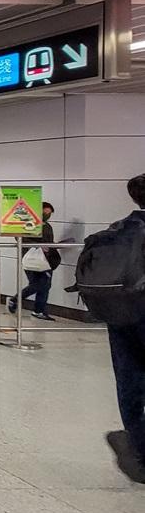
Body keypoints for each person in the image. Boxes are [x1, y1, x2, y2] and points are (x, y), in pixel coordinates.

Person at [104, 175, 145, 484]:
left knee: (129, 379)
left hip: (120, 315)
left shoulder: (118, 229)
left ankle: (135, 437)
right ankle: (137, 443)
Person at [13, 201, 61, 320]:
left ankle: (39, 311)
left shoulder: (48, 226)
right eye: (45, 212)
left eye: (49, 213)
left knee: (45, 285)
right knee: (38, 284)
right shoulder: (31, 223)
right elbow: (20, 238)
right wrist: (39, 245)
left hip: (47, 260)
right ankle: (15, 299)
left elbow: (48, 242)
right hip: (32, 259)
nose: (47, 215)